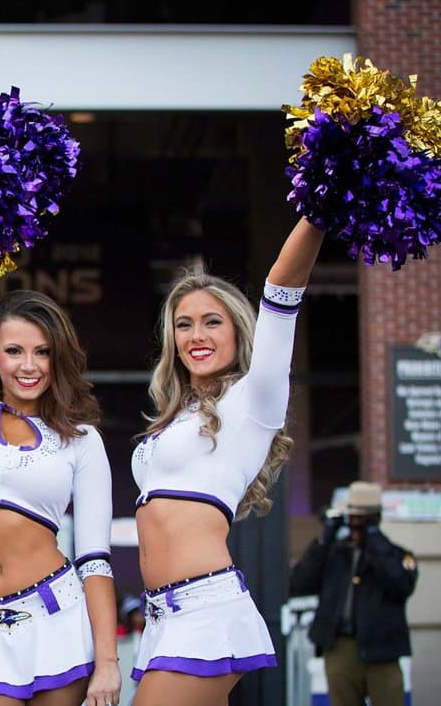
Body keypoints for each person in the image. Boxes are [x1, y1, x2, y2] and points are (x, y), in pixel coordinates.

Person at [130, 217, 324, 706]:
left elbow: (283, 286)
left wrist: (321, 200)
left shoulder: (254, 399)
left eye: (212, 321)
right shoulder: (176, 417)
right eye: (184, 324)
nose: (197, 334)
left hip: (205, 614)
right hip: (161, 619)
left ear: (238, 330)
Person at [0, 245, 121, 706]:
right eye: (14, 350)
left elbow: (95, 560)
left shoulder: (82, 440)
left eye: (42, 352)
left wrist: (107, 663)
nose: (29, 365)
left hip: (56, 619)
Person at [290, 481, 418, 706]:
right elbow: (300, 582)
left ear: (376, 520)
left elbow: (401, 585)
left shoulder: (397, 555)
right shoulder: (335, 552)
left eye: (362, 525)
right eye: (353, 523)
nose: (355, 530)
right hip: (340, 645)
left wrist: (376, 541)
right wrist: (325, 538)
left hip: (383, 649)